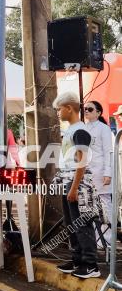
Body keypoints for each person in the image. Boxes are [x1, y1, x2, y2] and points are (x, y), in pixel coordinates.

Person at [53, 92, 100, 279]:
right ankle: (77, 259)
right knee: (71, 223)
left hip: (79, 184)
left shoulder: (80, 131)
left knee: (82, 223)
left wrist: (74, 187)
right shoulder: (71, 130)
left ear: (69, 108)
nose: (58, 113)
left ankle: (91, 265)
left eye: (59, 109)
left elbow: (82, 162)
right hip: (69, 182)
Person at [84, 100, 115, 244]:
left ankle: (107, 240)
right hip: (87, 173)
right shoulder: (83, 128)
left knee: (104, 205)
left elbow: (108, 151)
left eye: (90, 109)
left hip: (101, 171)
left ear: (98, 112)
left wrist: (108, 173)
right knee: (90, 206)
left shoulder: (104, 128)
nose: (86, 111)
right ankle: (95, 239)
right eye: (84, 109)